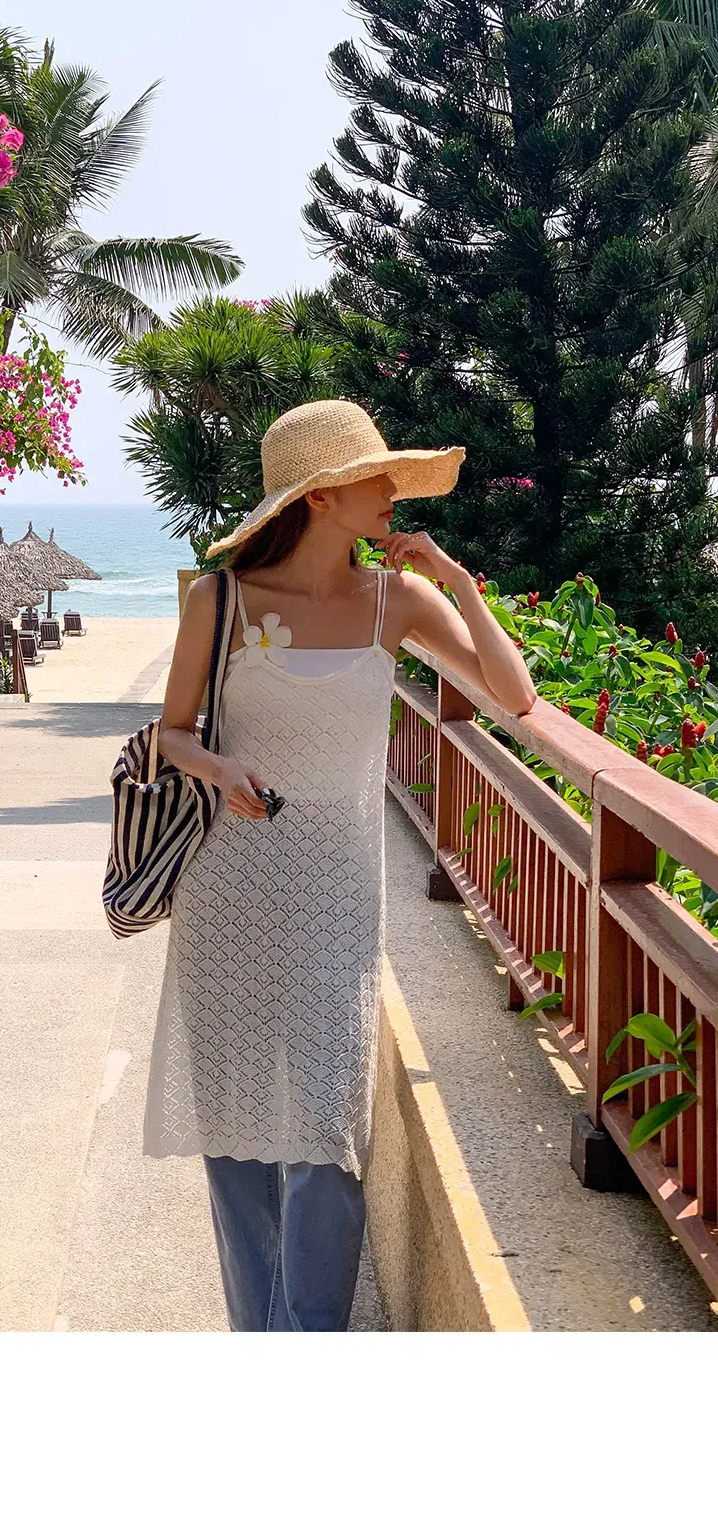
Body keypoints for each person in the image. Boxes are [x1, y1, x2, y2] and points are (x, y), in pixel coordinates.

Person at [142, 400, 536, 1331]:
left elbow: (515, 695)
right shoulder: (220, 601)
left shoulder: (399, 601)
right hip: (229, 896)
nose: (392, 488)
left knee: (327, 1134)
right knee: (238, 1140)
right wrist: (219, 767)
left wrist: (456, 581)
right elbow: (169, 735)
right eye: (373, 475)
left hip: (339, 906)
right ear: (319, 496)